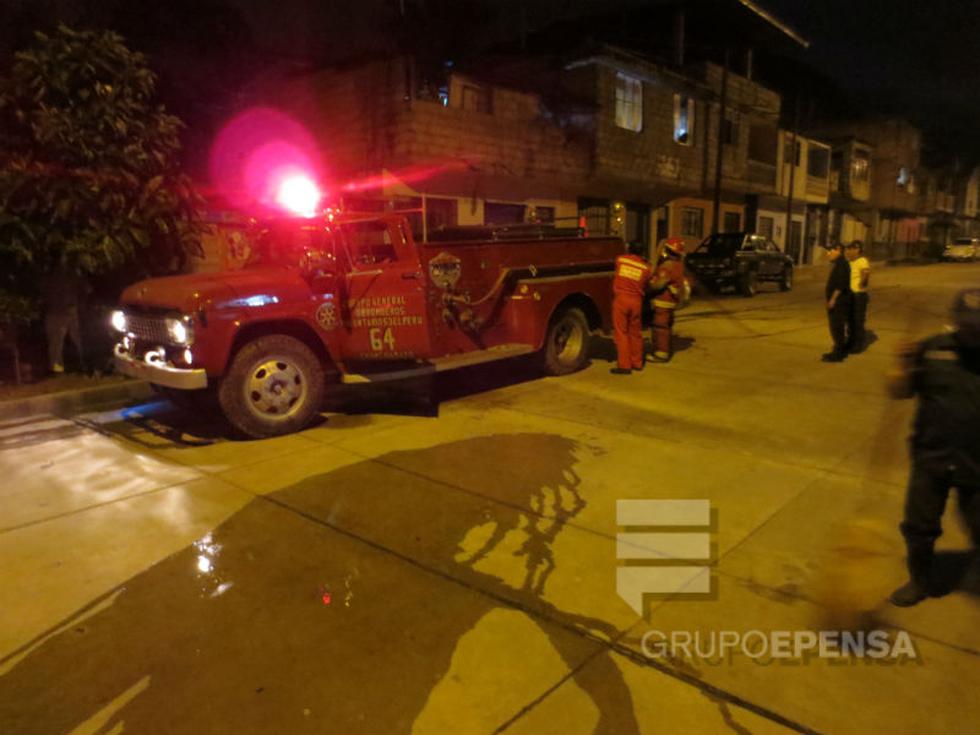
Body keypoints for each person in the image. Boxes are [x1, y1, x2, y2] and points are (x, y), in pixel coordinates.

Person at [887, 288, 980, 607]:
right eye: (967, 323)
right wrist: (902, 365)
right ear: (955, 320)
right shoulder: (932, 349)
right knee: (919, 525)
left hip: (977, 461)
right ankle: (919, 580)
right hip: (932, 456)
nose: (972, 330)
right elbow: (899, 391)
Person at [610, 241, 653, 374]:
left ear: (630, 249)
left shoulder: (621, 260)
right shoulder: (646, 268)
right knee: (635, 333)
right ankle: (637, 362)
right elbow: (648, 283)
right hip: (636, 302)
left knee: (621, 333)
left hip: (621, 300)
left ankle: (624, 365)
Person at [41, 265, 88, 374]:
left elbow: (84, 289)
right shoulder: (65, 274)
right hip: (58, 311)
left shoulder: (69, 274)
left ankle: (80, 364)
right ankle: (59, 368)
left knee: (68, 340)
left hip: (63, 310)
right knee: (58, 343)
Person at [648, 237, 688, 362]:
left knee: (660, 327)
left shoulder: (667, 266)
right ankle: (666, 349)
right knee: (667, 327)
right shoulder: (679, 265)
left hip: (663, 302)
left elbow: (658, 285)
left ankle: (661, 353)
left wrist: (649, 285)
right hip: (671, 302)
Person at [822, 243, 851, 362]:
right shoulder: (839, 264)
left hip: (839, 302)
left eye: (830, 251)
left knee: (836, 327)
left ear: (838, 250)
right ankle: (838, 350)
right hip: (837, 301)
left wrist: (833, 299)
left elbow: (840, 285)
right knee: (835, 327)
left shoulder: (842, 265)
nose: (828, 254)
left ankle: (838, 354)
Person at [845, 240, 871, 352]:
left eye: (851, 249)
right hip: (849, 295)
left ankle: (858, 345)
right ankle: (850, 342)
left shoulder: (862, 260)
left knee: (857, 320)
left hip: (858, 295)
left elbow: (866, 273)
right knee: (849, 320)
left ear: (857, 249)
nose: (848, 251)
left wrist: (862, 283)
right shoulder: (849, 262)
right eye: (848, 249)